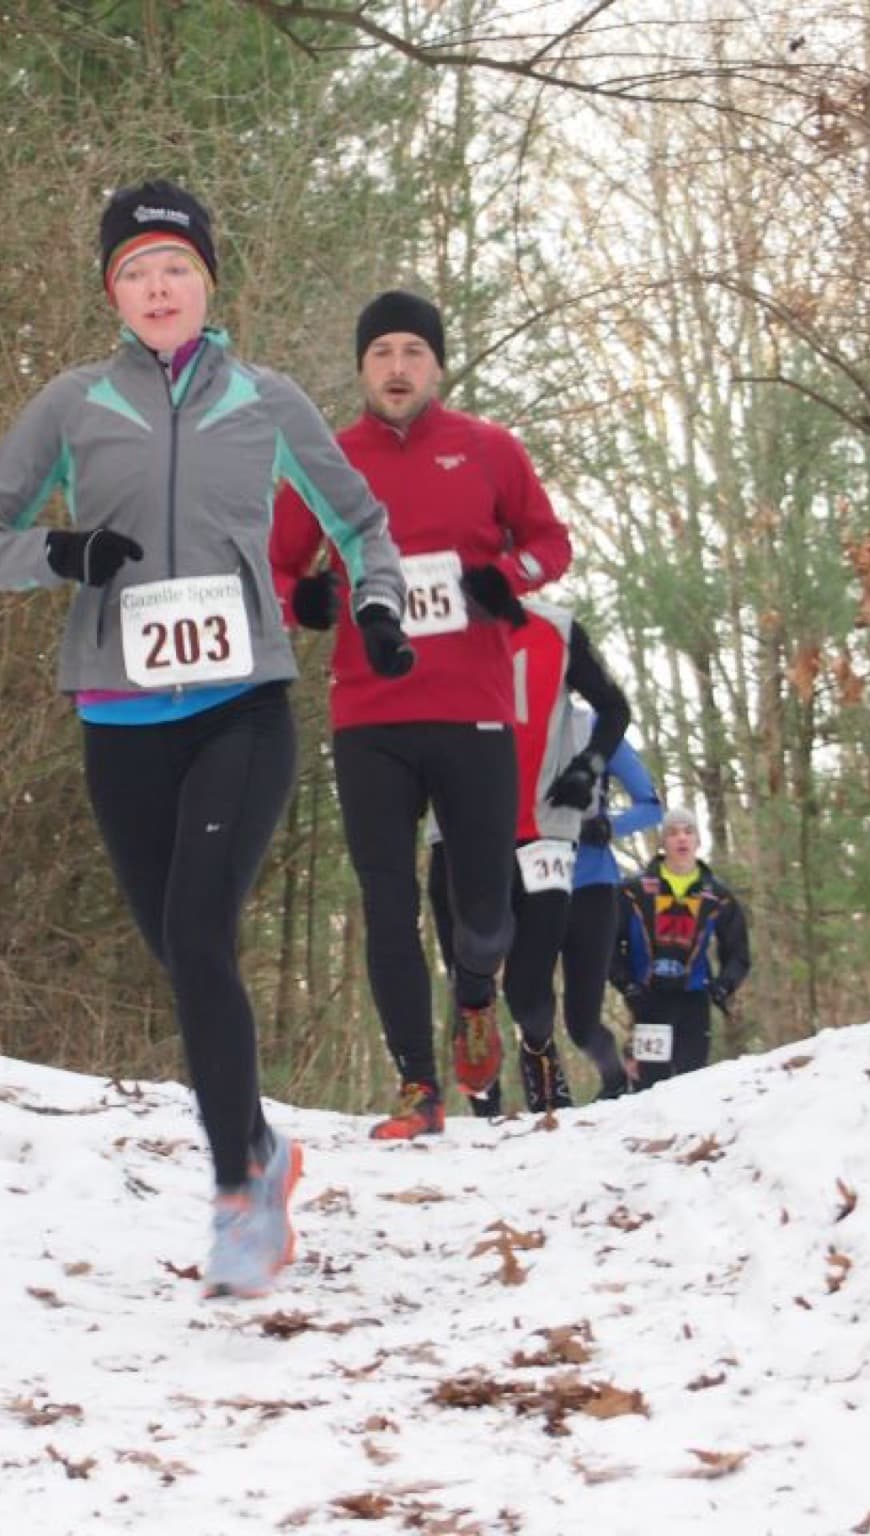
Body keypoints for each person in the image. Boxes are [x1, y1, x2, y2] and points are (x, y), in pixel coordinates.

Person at [0, 181, 411, 1298]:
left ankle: (239, 1193)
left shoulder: (267, 401)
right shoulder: (70, 405)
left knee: (200, 932)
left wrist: (381, 603)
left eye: (176, 270)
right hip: (118, 717)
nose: (157, 289)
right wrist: (59, 556)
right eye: (134, 273)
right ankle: (258, 1142)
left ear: (209, 283)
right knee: (179, 954)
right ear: (113, 292)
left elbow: (358, 522)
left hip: (241, 703)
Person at [270, 289, 574, 1140]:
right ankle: (416, 1085)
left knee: (485, 915)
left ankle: (475, 995)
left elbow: (553, 542)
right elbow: (278, 574)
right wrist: (316, 602)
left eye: (412, 352)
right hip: (369, 716)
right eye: (381, 354)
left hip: (474, 711)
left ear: (436, 365)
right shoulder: (325, 462)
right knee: (386, 897)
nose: (397, 368)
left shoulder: (489, 451)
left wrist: (504, 578)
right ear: (361, 368)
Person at [425, 598, 629, 1116]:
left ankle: (538, 1051)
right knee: (468, 971)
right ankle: (485, 1106)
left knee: (528, 984)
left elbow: (614, 707)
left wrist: (589, 766)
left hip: (546, 828)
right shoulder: (435, 619)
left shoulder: (558, 630)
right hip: (458, 830)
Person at [609, 805, 751, 1090]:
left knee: (692, 1084)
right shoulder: (633, 891)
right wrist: (625, 984)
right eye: (673, 833)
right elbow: (608, 945)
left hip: (693, 1000)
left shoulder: (717, 895)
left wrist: (724, 985)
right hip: (648, 1000)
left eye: (688, 832)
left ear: (698, 840)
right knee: (649, 1087)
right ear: (663, 842)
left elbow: (738, 951)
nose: (681, 839)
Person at [559, 733, 663, 1100]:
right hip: (528, 884)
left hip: (592, 887)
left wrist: (606, 827)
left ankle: (616, 1079)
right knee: (527, 1004)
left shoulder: (597, 730)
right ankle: (547, 1097)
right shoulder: (515, 720)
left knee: (581, 1022)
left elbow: (652, 806)